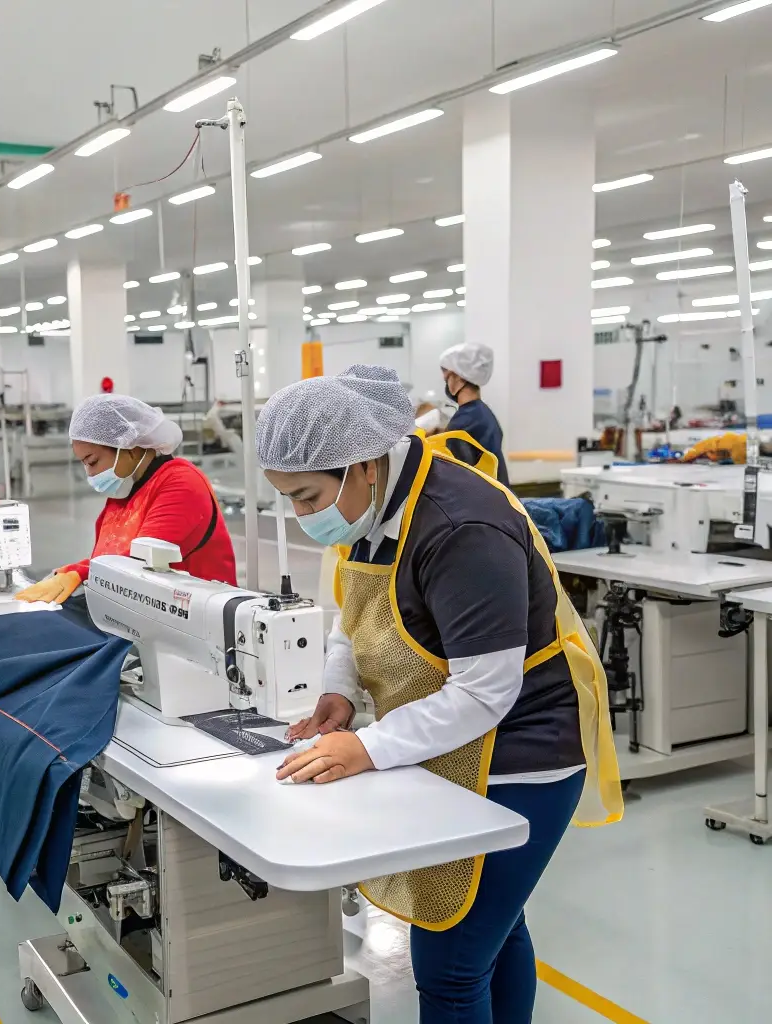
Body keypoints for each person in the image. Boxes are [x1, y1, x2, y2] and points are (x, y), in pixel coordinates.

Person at [255, 365, 621, 1024]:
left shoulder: (460, 528)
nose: (300, 515)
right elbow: (355, 604)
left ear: (363, 464)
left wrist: (366, 746)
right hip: (456, 744)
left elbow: (485, 692)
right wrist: (339, 688)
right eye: (288, 498)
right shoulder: (376, 500)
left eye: (307, 498)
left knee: (451, 965)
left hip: (520, 753)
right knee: (495, 931)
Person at [16, 394, 236, 605]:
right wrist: (68, 573)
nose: (90, 474)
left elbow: (139, 568)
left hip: (194, 625)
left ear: (129, 449)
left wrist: (80, 573)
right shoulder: (124, 493)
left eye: (92, 461)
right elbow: (105, 559)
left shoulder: (181, 483)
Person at [440, 342, 509, 485]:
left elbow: (458, 477)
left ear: (459, 376)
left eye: (445, 372)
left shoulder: (462, 424)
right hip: (499, 497)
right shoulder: (482, 413)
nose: (443, 378)